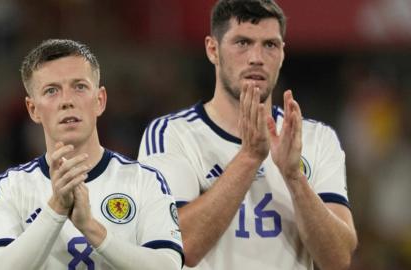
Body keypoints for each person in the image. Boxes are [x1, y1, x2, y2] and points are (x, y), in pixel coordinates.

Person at [138, 0, 358, 269]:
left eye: (270, 45)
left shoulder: (316, 138)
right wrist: (249, 157)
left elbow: (338, 259)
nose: (257, 58)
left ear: (282, 54)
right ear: (212, 50)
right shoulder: (172, 134)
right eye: (242, 42)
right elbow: (180, 248)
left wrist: (294, 178)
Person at [0, 39, 183, 270]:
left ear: (100, 100)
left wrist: (91, 228)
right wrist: (56, 209)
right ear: (33, 109)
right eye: (51, 91)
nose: (67, 101)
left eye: (79, 87)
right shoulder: (9, 188)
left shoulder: (144, 181)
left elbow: (169, 266)